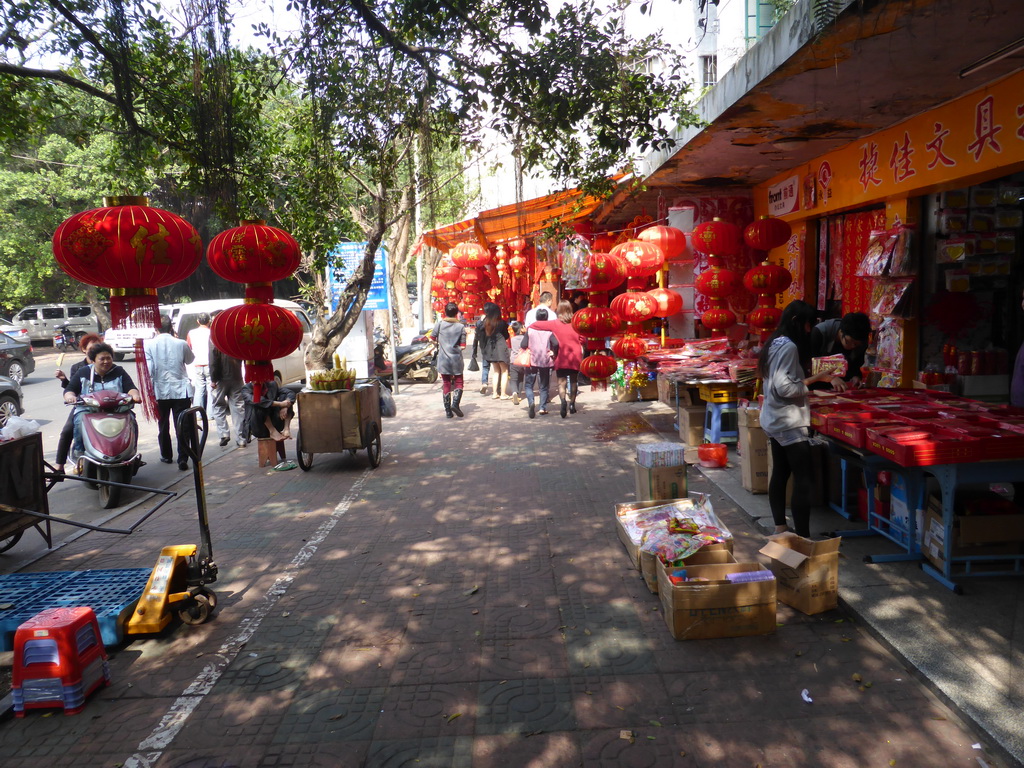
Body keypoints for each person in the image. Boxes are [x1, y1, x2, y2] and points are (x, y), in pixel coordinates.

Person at [757, 300, 835, 538]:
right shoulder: (788, 346)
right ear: (796, 322)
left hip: (774, 417)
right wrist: (817, 379)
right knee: (804, 478)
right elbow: (786, 389)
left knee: (781, 472)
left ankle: (781, 527)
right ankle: (802, 537)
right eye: (808, 324)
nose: (810, 330)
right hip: (787, 421)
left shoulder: (775, 341)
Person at [62, 342, 142, 462]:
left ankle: (131, 451)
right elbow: (70, 390)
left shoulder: (119, 371)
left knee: (132, 420)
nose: (106, 361)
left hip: (117, 410)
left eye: (108, 358)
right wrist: (70, 397)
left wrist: (135, 395)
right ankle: (79, 452)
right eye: (102, 359)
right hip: (90, 410)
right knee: (78, 420)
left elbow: (130, 387)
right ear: (93, 360)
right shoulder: (83, 372)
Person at [144, 315, 195, 470]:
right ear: (170, 327)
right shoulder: (181, 343)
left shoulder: (149, 345)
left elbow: (149, 369)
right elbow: (190, 360)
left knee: (163, 424)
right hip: (180, 389)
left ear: (156, 328)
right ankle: (183, 457)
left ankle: (166, 455)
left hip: (160, 390)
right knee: (183, 424)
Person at [53, 333, 105, 474]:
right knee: (67, 431)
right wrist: (64, 381)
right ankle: (60, 466)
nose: (94, 351)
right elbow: (73, 389)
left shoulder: (107, 365)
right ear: (83, 350)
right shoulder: (78, 368)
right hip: (84, 406)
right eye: (90, 348)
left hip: (105, 406)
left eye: (97, 347)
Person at [531, 300, 585, 418]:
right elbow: (583, 339)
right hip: (575, 356)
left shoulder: (555, 323)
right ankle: (572, 405)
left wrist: (528, 327)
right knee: (574, 380)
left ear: (559, 310)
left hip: (562, 355)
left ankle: (563, 402)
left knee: (561, 382)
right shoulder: (576, 323)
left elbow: (537, 325)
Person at [809, 312, 872, 391]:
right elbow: (812, 364)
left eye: (856, 344)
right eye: (849, 342)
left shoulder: (862, 342)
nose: (852, 346)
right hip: (816, 385)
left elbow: (856, 365)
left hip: (842, 387)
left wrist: (855, 376)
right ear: (841, 332)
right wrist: (831, 378)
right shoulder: (820, 332)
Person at [241, 379, 296, 465]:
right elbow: (258, 401)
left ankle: (286, 428)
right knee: (258, 403)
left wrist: (285, 405)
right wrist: (280, 404)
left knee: (286, 399)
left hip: (275, 421)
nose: (256, 381)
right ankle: (272, 431)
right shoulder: (245, 389)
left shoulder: (271, 384)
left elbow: (290, 392)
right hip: (259, 427)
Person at [519, 307, 559, 418]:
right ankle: (542, 408)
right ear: (546, 318)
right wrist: (553, 352)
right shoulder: (549, 331)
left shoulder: (530, 329)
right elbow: (556, 343)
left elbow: (523, 345)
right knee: (544, 386)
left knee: (528, 385)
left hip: (532, 360)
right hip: (545, 360)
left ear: (536, 317)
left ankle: (531, 403)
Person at [432, 301, 467, 418]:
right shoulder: (461, 326)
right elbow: (463, 346)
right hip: (456, 359)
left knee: (446, 383)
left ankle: (448, 411)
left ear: (445, 312)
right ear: (457, 313)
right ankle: (455, 404)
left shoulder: (439, 324)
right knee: (459, 382)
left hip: (443, 359)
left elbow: (432, 338)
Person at [210, 343, 247, 448]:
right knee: (238, 407)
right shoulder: (235, 333)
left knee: (218, 406)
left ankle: (224, 434)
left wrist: (213, 378)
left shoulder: (215, 335)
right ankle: (241, 439)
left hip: (220, 377)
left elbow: (213, 359)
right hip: (236, 375)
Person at [477, 303, 511, 400]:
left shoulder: (486, 323)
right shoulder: (501, 323)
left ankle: (495, 393)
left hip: (490, 349)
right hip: (500, 347)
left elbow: (479, 329)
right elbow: (506, 336)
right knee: (504, 371)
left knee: (496, 371)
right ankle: (503, 394)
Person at [187, 311, 213, 411]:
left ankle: (198, 414)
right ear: (209, 321)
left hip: (197, 364)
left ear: (198, 321)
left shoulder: (191, 333)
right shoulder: (212, 332)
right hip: (210, 364)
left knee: (199, 389)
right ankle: (210, 414)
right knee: (211, 389)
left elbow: (188, 347)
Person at [471, 302, 498, 395]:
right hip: (494, 347)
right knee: (496, 369)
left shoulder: (479, 323)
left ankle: (484, 383)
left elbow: (476, 338)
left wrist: (474, 351)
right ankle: (497, 388)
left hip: (484, 348)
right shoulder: (495, 321)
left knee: (485, 367)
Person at [506, 321, 527, 404]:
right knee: (521, 378)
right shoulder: (525, 338)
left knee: (513, 379)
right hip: (523, 360)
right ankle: (518, 395)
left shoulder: (513, 339)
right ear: (521, 329)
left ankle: (514, 392)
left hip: (514, 360)